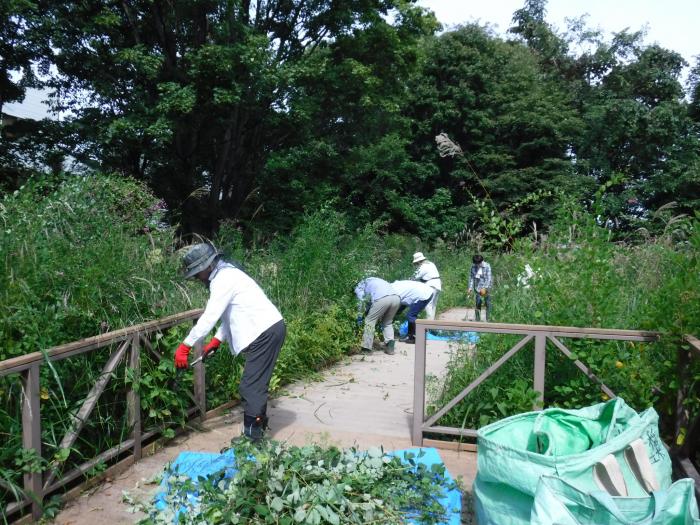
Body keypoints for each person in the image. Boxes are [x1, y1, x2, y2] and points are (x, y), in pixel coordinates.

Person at [173, 242, 286, 441]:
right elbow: (229, 314)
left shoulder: (223, 279)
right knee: (255, 385)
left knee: (250, 387)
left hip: (264, 332)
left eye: (198, 273)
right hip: (267, 330)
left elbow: (210, 317)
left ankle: (253, 439)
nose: (198, 278)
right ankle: (257, 430)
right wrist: (217, 340)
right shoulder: (226, 273)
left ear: (207, 266)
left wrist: (185, 345)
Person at [354, 277, 400, 355]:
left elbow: (362, 300)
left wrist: (360, 314)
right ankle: (390, 347)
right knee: (387, 322)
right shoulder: (373, 279)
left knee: (370, 321)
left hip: (382, 298)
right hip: (396, 298)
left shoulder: (359, 285)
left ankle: (366, 348)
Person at [392, 279, 435, 344]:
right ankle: (410, 336)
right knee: (411, 315)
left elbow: (399, 306)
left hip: (424, 295)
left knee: (411, 315)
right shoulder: (395, 286)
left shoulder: (393, 292)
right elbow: (402, 304)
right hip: (426, 291)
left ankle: (415, 338)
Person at [412, 252, 442, 320]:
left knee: (428, 305)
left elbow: (415, 277)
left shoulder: (423, 266)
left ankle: (429, 323)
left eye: (416, 263)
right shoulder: (431, 263)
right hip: (437, 284)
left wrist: (408, 280)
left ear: (418, 261)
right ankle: (432, 322)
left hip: (431, 285)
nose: (416, 265)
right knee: (433, 305)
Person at [468, 254, 492, 321]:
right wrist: (470, 288)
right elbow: (472, 278)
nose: (477, 265)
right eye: (476, 264)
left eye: (479, 264)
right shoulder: (473, 266)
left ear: (482, 261)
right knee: (478, 303)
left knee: (488, 303)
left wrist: (485, 288)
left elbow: (488, 278)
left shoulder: (487, 266)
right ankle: (478, 320)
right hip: (478, 287)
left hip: (487, 287)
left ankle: (488, 320)